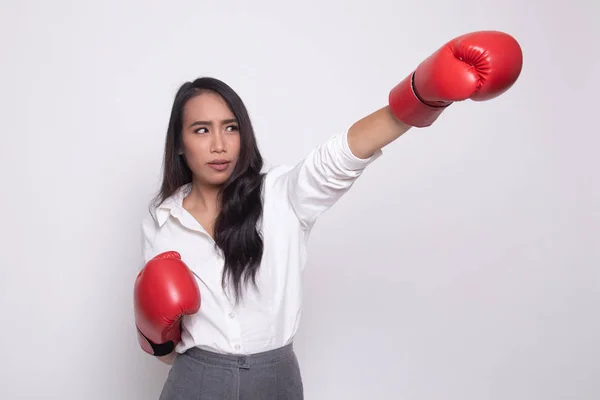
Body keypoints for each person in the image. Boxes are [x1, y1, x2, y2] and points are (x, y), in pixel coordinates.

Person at [133, 30, 523, 399]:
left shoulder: (280, 195)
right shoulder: (162, 218)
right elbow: (165, 350)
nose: (219, 144)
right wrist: (156, 333)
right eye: (201, 130)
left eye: (230, 128)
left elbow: (341, 156)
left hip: (274, 377)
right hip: (195, 377)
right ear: (180, 144)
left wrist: (421, 95)